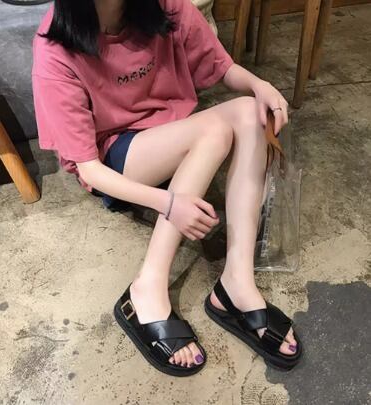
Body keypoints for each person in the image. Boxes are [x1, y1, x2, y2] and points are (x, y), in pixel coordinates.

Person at [32, 0, 302, 376]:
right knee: (214, 131)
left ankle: (236, 284)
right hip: (116, 158)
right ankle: (148, 285)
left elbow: (221, 66)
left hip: (172, 134)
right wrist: (170, 203)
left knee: (249, 111)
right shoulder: (56, 47)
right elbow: (89, 169)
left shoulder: (164, 6)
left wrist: (260, 86)